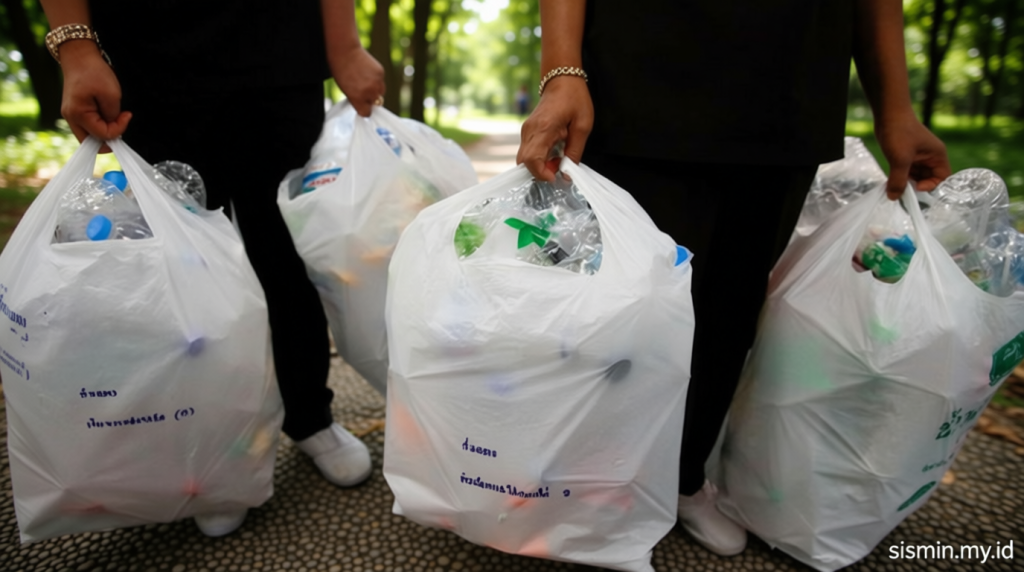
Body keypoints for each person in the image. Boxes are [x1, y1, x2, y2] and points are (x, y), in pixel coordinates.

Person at [517, 0, 951, 557]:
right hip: (640, 77)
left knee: (731, 313)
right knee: (616, 313)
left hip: (788, 93)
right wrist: (561, 71)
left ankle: (682, 475)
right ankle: (581, 483)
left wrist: (895, 108)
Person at [39, 0, 386, 537]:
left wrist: (344, 45)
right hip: (151, 56)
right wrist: (76, 46)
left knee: (286, 254)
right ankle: (217, 447)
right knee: (181, 274)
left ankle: (309, 415)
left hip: (276, 50)